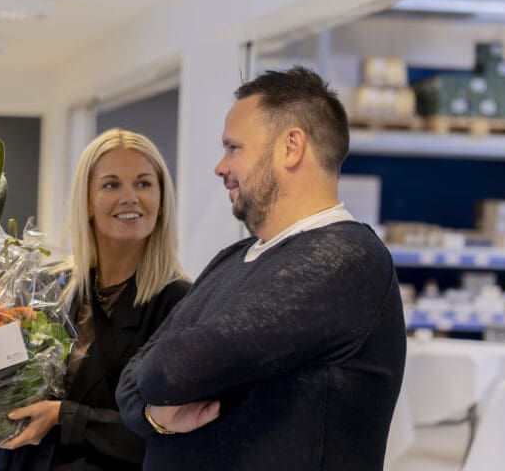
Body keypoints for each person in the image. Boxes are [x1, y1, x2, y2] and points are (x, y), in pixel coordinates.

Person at [116, 66, 406, 470]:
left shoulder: (346, 258)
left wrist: (158, 381)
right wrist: (153, 414)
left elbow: (170, 370)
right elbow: (131, 382)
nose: (221, 167)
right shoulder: (234, 257)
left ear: (291, 147)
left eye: (233, 148)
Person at [0, 128, 191, 471]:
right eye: (111, 185)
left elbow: (173, 432)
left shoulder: (179, 304)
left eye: (144, 184)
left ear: (161, 201)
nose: (129, 197)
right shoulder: (48, 288)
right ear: (87, 201)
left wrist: (63, 416)